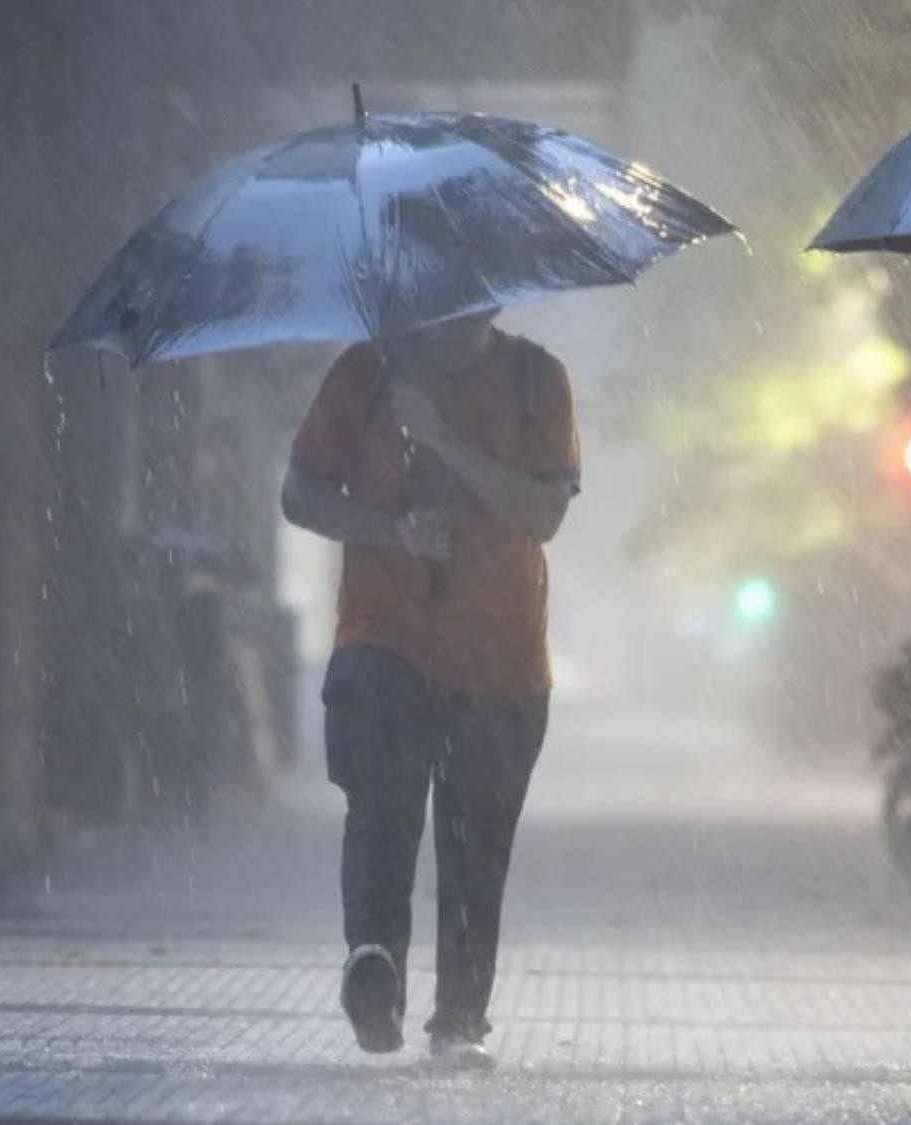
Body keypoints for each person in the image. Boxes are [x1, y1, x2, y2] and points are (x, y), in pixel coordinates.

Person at [281, 309, 580, 1071]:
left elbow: (543, 512)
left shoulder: (535, 379)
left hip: (502, 655)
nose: (457, 304)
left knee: (477, 842)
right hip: (384, 636)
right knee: (380, 799)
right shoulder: (367, 372)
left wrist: (444, 435)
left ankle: (460, 1016)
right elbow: (300, 495)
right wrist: (393, 529)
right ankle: (373, 959)